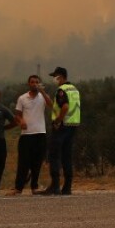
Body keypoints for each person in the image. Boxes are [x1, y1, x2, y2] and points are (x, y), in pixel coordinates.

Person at [41, 66, 80, 196]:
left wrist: (58, 121)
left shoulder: (61, 90)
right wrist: (43, 92)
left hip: (61, 126)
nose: (54, 79)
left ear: (61, 77)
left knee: (54, 155)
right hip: (72, 125)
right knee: (66, 156)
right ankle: (67, 187)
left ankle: (55, 186)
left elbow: (64, 107)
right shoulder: (74, 89)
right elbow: (55, 106)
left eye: (55, 77)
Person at [11, 74, 53, 195]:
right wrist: (21, 121)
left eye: (36, 82)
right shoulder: (22, 98)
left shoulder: (43, 97)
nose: (34, 84)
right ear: (28, 84)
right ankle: (18, 188)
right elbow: (17, 115)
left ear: (39, 84)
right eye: (32, 82)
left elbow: (51, 105)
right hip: (26, 134)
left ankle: (34, 186)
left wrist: (43, 92)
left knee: (37, 162)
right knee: (23, 162)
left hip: (40, 133)